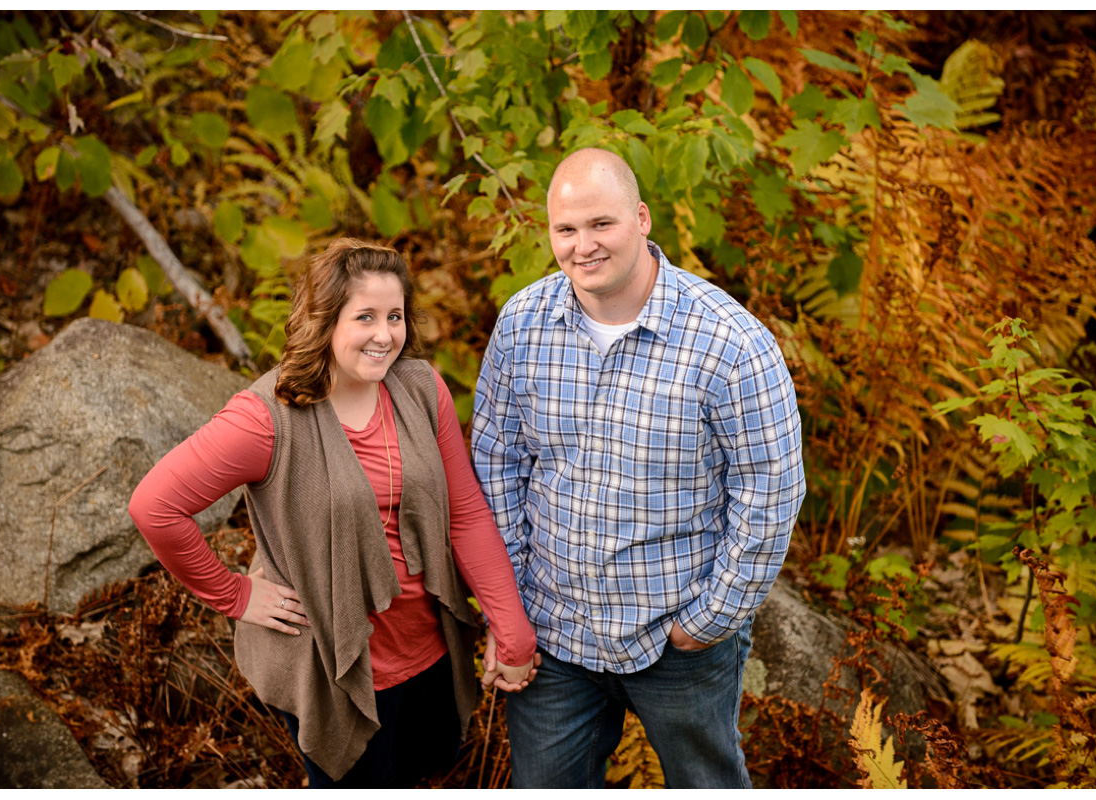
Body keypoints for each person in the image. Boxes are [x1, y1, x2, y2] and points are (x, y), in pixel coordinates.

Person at [129, 238, 538, 788]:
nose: (385, 334)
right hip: (337, 669)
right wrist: (235, 595)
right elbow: (155, 508)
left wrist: (510, 628)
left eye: (395, 316)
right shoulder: (266, 416)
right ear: (324, 320)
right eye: (364, 316)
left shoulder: (419, 387)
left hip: (430, 650)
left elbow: (463, 512)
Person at [471, 148, 805, 788]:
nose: (583, 245)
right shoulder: (522, 325)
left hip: (676, 637)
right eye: (566, 230)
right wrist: (509, 610)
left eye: (602, 224)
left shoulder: (731, 344)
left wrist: (707, 621)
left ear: (643, 219)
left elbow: (771, 494)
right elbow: (497, 467)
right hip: (554, 635)